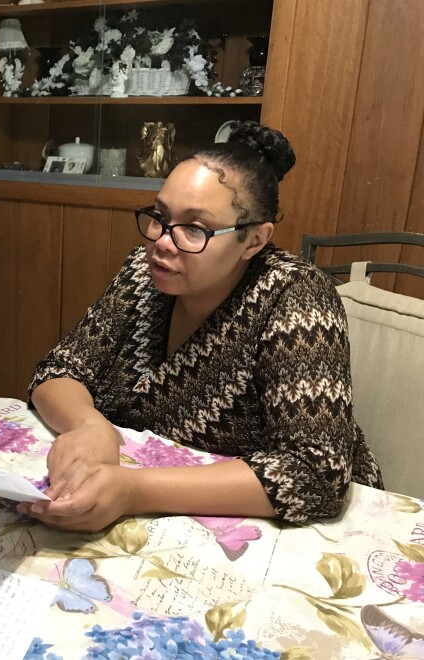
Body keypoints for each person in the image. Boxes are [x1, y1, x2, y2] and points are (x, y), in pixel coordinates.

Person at [20, 121, 382, 532]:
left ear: (254, 240)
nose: (162, 241)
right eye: (159, 217)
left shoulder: (295, 296)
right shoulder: (144, 274)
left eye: (195, 228)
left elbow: (316, 473)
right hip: (158, 512)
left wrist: (134, 490)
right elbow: (59, 370)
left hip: (297, 534)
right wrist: (89, 425)